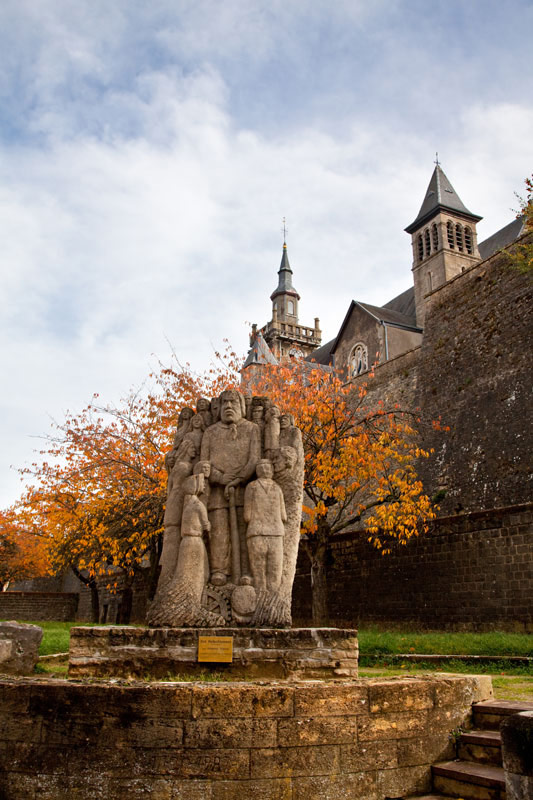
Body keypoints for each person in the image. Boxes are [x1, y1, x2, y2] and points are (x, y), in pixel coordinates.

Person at [200, 389, 261, 585]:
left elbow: (254, 459)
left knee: (245, 532)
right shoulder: (210, 432)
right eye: (225, 403)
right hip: (218, 491)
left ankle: (246, 571)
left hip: (245, 489)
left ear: (242, 407)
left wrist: (239, 479)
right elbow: (204, 462)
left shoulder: (252, 429)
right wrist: (221, 478)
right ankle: (219, 571)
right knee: (219, 531)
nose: (228, 407)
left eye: (233, 403)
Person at [244, 459, 287, 593]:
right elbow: (284, 515)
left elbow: (247, 515)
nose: (265, 469)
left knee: (263, 568)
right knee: (267, 569)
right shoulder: (256, 487)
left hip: (264, 530)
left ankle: (267, 595)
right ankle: (265, 595)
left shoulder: (253, 487)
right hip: (266, 531)